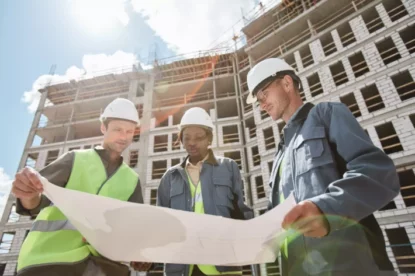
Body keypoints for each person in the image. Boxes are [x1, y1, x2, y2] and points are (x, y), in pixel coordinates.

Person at [246, 58, 400, 276]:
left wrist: (326, 209)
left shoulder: (327, 114)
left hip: (351, 267)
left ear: (287, 83)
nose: (262, 104)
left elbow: (377, 172)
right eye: (258, 101)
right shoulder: (280, 154)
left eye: (263, 94)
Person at [12, 98, 152, 276]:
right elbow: (34, 203)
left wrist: (139, 254)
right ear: (103, 128)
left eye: (129, 131)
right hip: (50, 261)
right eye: (117, 129)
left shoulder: (132, 180)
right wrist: (28, 192)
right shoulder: (74, 159)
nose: (124, 136)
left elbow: (132, 230)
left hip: (103, 268)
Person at [157, 107, 253, 276]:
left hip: (223, 267)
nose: (192, 143)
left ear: (209, 138)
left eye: (199, 138)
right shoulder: (169, 178)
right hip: (182, 269)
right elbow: (161, 226)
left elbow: (240, 213)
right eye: (186, 138)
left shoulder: (229, 167)